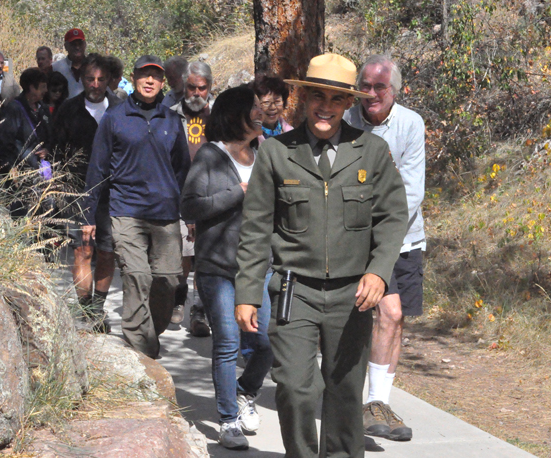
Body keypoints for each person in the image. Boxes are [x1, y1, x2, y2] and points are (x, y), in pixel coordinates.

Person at [234, 53, 408, 458]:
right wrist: (246, 292)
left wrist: (379, 273)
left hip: (353, 295)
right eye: (317, 95)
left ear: (348, 103)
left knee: (345, 392)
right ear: (304, 98)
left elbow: (392, 219)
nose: (324, 106)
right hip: (295, 291)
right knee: (295, 389)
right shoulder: (277, 153)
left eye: (335, 98)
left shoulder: (371, 151)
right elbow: (256, 228)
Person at [181, 85, 273, 450]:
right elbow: (190, 207)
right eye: (252, 107)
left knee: (265, 344)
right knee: (227, 343)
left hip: (259, 267)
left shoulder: (265, 151)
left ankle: (245, 391)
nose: (258, 112)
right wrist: (239, 192)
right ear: (234, 113)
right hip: (217, 269)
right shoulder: (209, 155)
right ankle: (228, 419)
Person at [81, 54, 190, 359]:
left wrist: (189, 214)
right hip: (125, 210)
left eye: (155, 76)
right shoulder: (114, 118)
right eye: (144, 75)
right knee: (137, 276)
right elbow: (97, 169)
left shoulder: (171, 120)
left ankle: (148, 338)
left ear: (163, 82)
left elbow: (182, 169)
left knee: (168, 280)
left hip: (165, 214)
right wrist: (87, 216)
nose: (150, 81)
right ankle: (139, 351)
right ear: (134, 77)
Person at [343, 54, 425, 442]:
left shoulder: (410, 124)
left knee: (394, 318)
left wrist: (382, 235)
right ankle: (360, 401)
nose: (371, 93)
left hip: (404, 237)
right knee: (382, 313)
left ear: (396, 90)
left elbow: (411, 191)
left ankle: (377, 403)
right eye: (366, 86)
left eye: (380, 87)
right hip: (354, 236)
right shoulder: (345, 120)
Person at [52, 53, 121, 325]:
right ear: (82, 79)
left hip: (111, 192)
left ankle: (98, 306)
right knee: (83, 250)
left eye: (101, 79)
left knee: (106, 251)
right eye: (90, 79)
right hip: (77, 190)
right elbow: (56, 151)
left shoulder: (119, 109)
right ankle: (85, 309)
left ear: (110, 80)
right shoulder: (67, 110)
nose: (95, 84)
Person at [168, 60, 213, 337]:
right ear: (184, 87)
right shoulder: (170, 113)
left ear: (210, 87)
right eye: (192, 88)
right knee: (185, 253)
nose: (197, 94)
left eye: (202, 88)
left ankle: (200, 312)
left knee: (206, 255)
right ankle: (179, 297)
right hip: (180, 191)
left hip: (212, 192)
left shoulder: (220, 114)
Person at [0, 68, 51, 217]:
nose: (46, 90)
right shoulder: (14, 109)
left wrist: (47, 149)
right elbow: (6, 141)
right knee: (22, 212)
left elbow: (51, 135)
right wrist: (13, 169)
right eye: (43, 86)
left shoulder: (43, 108)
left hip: (42, 172)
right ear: (32, 87)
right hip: (21, 173)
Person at [251, 74, 294, 143]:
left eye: (277, 101)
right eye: (266, 102)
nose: (273, 107)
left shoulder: (291, 133)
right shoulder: (250, 138)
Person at [52, 28, 87, 99]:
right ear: (66, 46)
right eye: (73, 44)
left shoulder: (93, 67)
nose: (77, 47)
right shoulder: (56, 68)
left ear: (85, 45)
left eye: (80, 44)